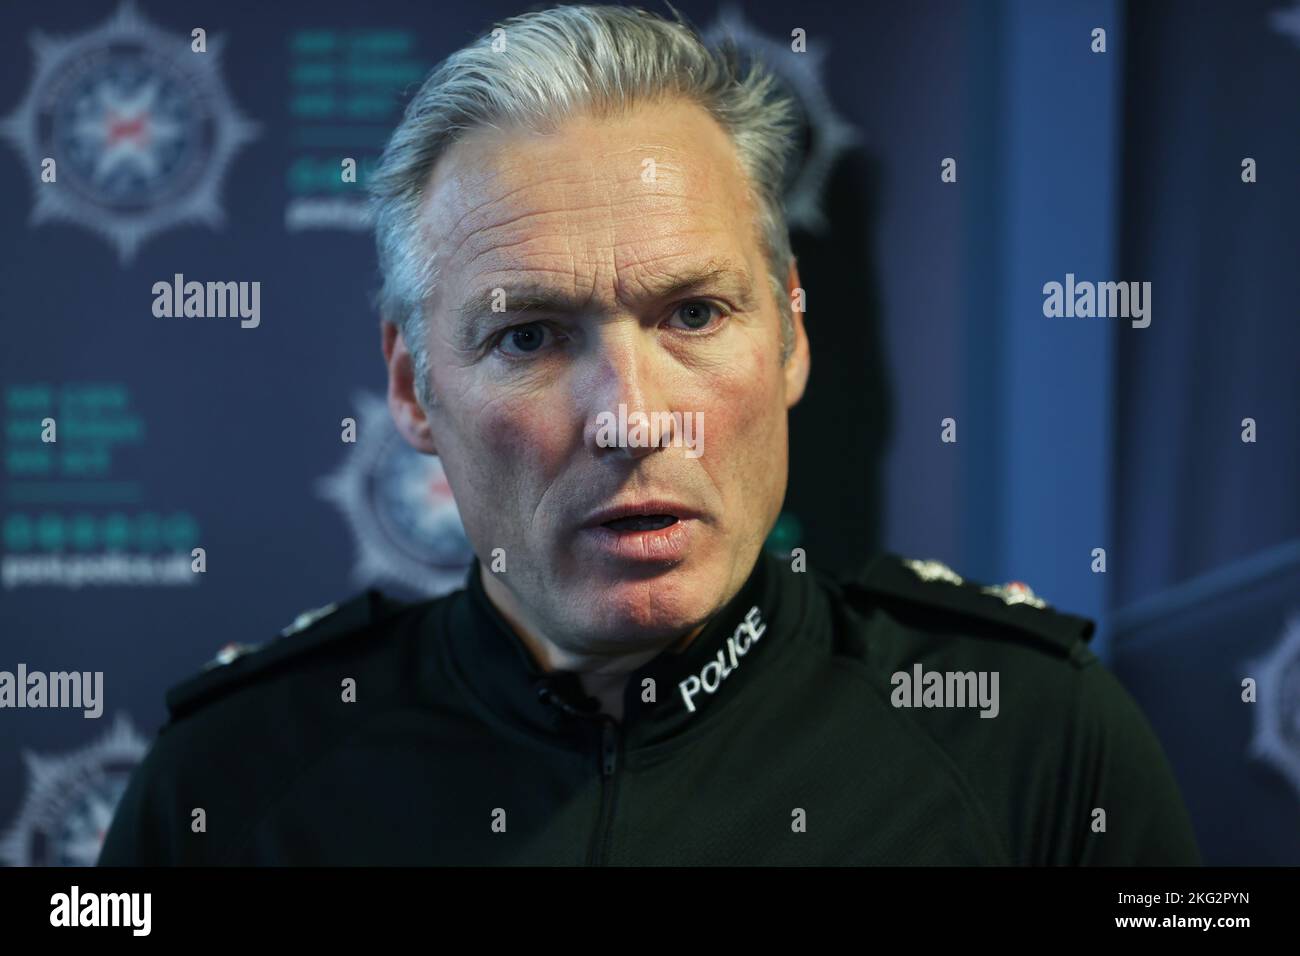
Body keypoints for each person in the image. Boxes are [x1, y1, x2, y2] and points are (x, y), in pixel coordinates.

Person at [99, 4, 1200, 866]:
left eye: (693, 313)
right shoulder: (230, 780)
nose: (631, 418)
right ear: (413, 386)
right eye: (529, 335)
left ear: (790, 338)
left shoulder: (1036, 737)